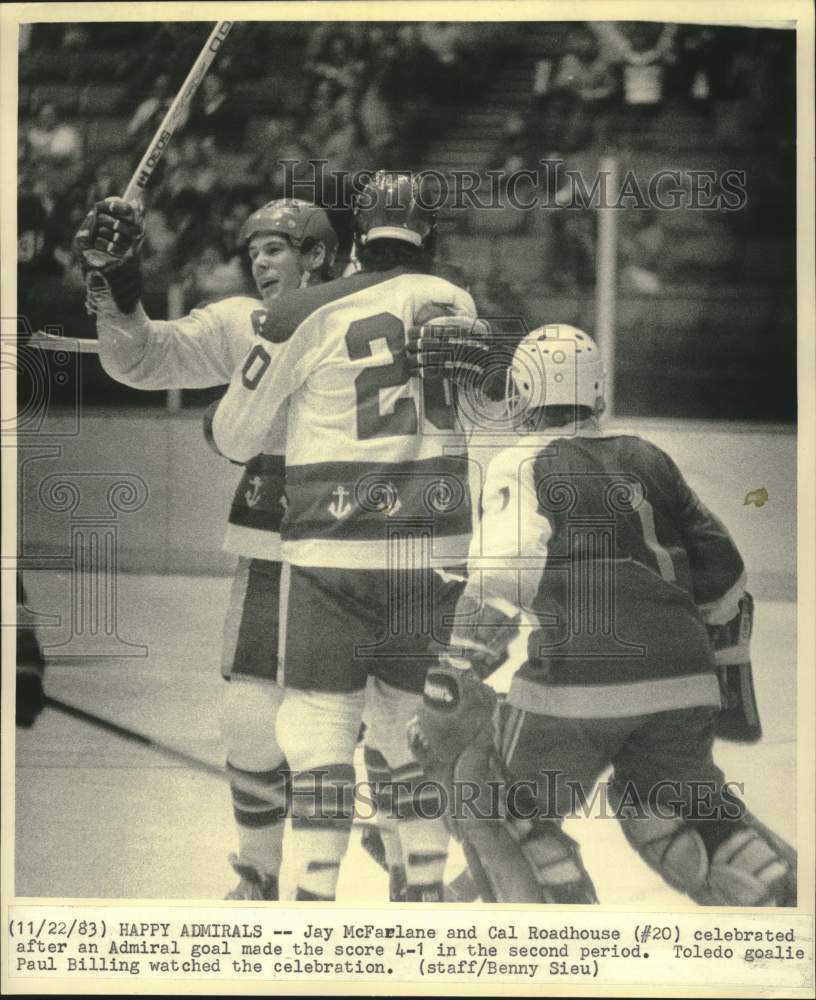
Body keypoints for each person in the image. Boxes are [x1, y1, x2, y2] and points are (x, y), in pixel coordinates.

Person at [411, 322, 796, 906]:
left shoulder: (524, 463)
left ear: (519, 397)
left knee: (484, 786)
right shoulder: (650, 458)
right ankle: (769, 885)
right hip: (683, 680)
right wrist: (715, 669)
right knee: (664, 803)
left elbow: (500, 581)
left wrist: (455, 670)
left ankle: (563, 922)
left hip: (579, 681)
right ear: (597, 395)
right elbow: (725, 577)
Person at [211, 172, 478, 902]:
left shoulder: (301, 310)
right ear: (432, 237)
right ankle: (422, 888)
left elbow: (233, 437)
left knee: (318, 729)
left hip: (333, 547)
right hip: (430, 550)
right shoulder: (455, 300)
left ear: (356, 242)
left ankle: (312, 899)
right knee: (405, 727)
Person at [73, 196, 338, 900]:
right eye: (254, 249)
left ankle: (412, 874)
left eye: (277, 248)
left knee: (377, 729)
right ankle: (259, 873)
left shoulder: (379, 309)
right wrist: (120, 292)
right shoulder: (241, 321)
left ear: (318, 256)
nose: (259, 260)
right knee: (251, 717)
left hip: (372, 543)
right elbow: (141, 361)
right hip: (275, 543)